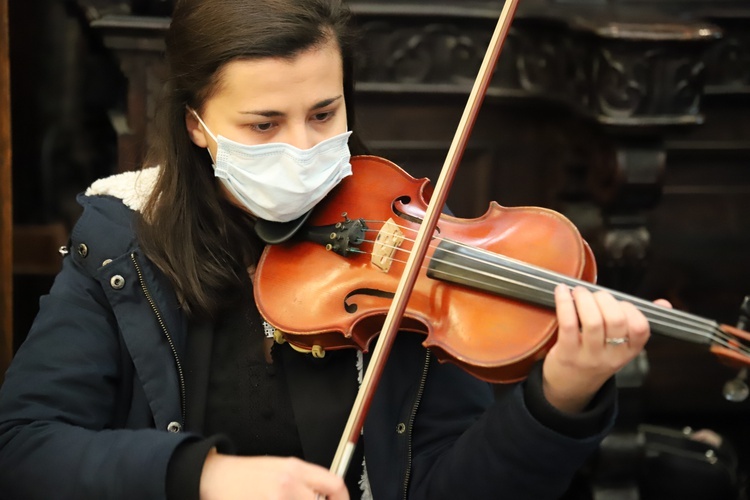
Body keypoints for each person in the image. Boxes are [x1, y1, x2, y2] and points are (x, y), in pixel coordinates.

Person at [0, 0, 671, 499]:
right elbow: (23, 448)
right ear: (197, 126)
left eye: (324, 114)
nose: (301, 147)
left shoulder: (403, 247)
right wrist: (205, 476)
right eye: (263, 124)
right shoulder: (124, 242)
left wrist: (560, 395)